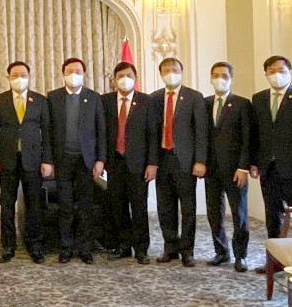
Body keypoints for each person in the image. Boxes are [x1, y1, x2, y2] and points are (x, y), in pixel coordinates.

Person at [250, 55, 292, 247]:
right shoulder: (259, 99)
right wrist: (254, 162)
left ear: (290, 72)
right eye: (272, 71)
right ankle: (274, 256)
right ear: (266, 74)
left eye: (281, 71)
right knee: (272, 216)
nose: (277, 75)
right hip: (268, 168)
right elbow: (256, 133)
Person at [0, 61, 52, 264]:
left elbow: (47, 133)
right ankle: (8, 246)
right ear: (8, 78)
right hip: (6, 160)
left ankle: (35, 245)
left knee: (34, 205)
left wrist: (47, 160)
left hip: (33, 160)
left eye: (23, 75)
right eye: (15, 75)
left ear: (29, 77)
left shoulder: (40, 100)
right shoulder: (0, 100)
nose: (19, 79)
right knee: (7, 205)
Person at [45, 58, 106, 264]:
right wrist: (48, 160)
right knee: (65, 206)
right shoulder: (53, 97)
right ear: (63, 73)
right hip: (62, 160)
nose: (74, 75)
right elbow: (48, 132)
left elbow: (101, 131)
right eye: (70, 71)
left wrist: (100, 159)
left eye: (78, 71)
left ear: (84, 74)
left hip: (86, 161)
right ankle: (66, 247)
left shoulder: (94, 98)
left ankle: (84, 247)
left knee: (85, 207)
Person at [149, 57, 208, 267]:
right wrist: (152, 162)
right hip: (162, 159)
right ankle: (170, 247)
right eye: (166, 70)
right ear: (160, 74)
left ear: (182, 72)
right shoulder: (154, 98)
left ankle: (187, 250)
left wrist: (200, 160)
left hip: (185, 160)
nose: (171, 73)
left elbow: (201, 131)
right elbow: (151, 133)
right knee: (165, 207)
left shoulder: (194, 97)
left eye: (175, 70)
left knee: (188, 208)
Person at [103, 61, 158, 264]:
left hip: (138, 164)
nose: (124, 79)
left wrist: (152, 163)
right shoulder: (105, 101)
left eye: (129, 76)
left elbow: (153, 134)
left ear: (135, 79)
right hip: (114, 163)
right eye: (120, 76)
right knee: (118, 207)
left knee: (139, 207)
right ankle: (123, 246)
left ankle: (141, 249)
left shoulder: (146, 101)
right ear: (114, 80)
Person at [203, 62, 252, 272]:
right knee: (214, 213)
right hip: (211, 169)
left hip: (235, 169)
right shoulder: (205, 103)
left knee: (239, 214)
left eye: (224, 75)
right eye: (215, 75)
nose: (219, 79)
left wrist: (243, 167)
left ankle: (241, 255)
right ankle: (221, 251)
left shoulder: (242, 103)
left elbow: (247, 138)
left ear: (231, 78)